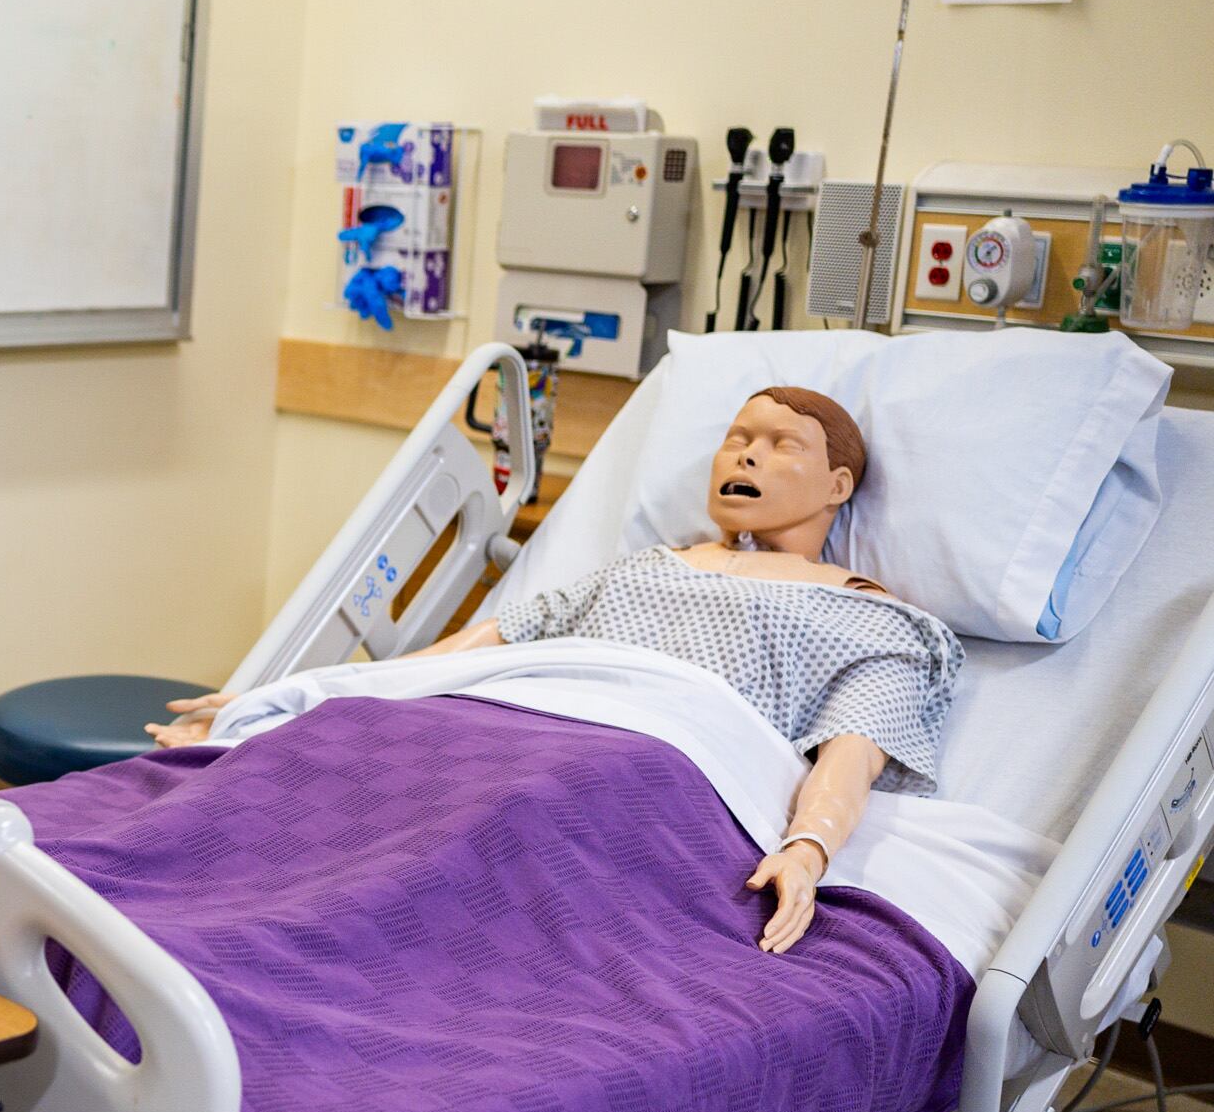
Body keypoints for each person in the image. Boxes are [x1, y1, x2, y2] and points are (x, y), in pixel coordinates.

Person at [150, 386, 961, 953]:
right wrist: (319, 696)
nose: (745, 456)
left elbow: (851, 755)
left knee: (488, 819)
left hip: (637, 762)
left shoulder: (873, 619)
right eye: (738, 438)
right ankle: (185, 903)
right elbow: (490, 644)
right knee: (352, 749)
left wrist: (807, 850)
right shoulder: (642, 567)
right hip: (497, 717)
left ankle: (266, 937)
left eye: (781, 446)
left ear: (838, 485)